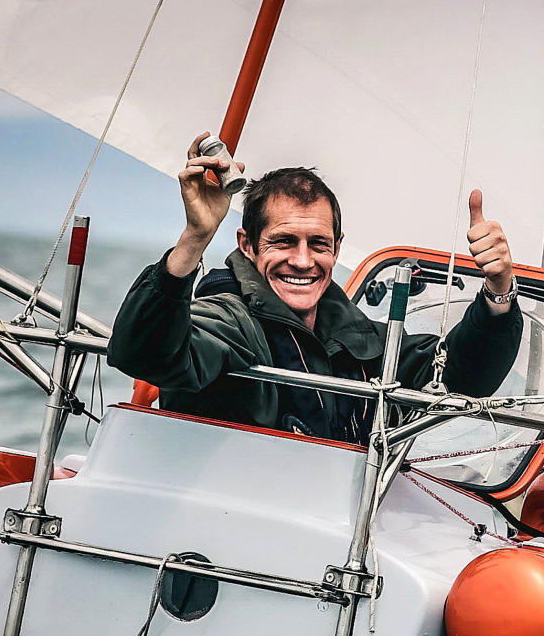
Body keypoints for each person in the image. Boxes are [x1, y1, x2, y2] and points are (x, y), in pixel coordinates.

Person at [108, 132, 523, 443]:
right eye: (284, 241)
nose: (303, 261)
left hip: (338, 535)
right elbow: (145, 355)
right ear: (247, 246)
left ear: (336, 248)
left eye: (318, 244)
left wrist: (498, 287)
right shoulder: (225, 320)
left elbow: (462, 380)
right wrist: (195, 237)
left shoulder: (360, 337)